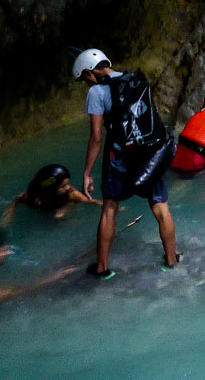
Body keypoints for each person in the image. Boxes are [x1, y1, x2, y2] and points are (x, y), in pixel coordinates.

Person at [74, 48, 179, 278]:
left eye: (84, 79)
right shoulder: (135, 80)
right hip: (150, 152)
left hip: (120, 156)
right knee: (161, 207)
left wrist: (87, 172)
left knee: (109, 209)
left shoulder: (96, 93)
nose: (86, 84)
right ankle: (171, 260)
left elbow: (97, 136)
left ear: (90, 72)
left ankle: (102, 269)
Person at [2, 163, 98, 222]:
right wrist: (8, 216)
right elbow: (15, 201)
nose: (68, 187)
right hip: (47, 205)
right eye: (63, 186)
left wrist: (66, 207)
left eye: (67, 184)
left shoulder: (71, 194)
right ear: (51, 188)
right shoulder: (33, 195)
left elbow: (92, 202)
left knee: (59, 216)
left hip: (65, 203)